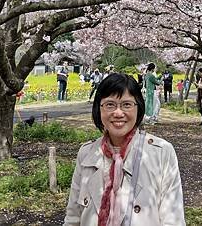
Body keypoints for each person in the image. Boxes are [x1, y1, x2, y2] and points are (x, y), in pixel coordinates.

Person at [63, 73, 185, 226]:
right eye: (110, 105)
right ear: (98, 109)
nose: (118, 113)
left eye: (127, 104)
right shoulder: (87, 153)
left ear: (138, 107)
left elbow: (173, 219)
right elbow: (73, 217)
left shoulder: (161, 152)